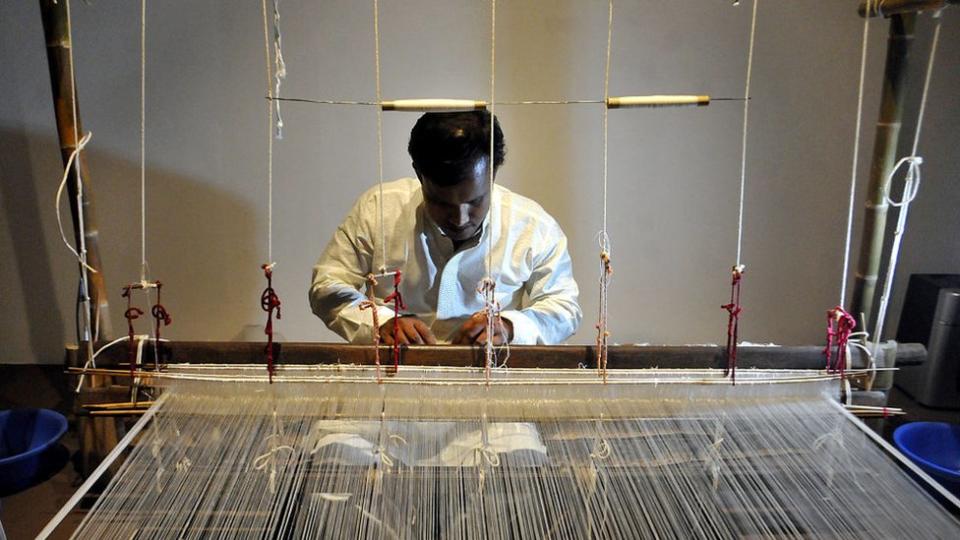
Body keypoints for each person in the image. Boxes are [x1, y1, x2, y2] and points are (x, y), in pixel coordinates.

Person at [310, 110, 581, 345]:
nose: (461, 218)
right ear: (419, 174)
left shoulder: (534, 226)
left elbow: (564, 307)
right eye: (441, 202)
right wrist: (380, 323)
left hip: (492, 383)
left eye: (474, 201)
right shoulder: (377, 210)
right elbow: (327, 286)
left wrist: (510, 328)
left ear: (493, 173)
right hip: (397, 381)